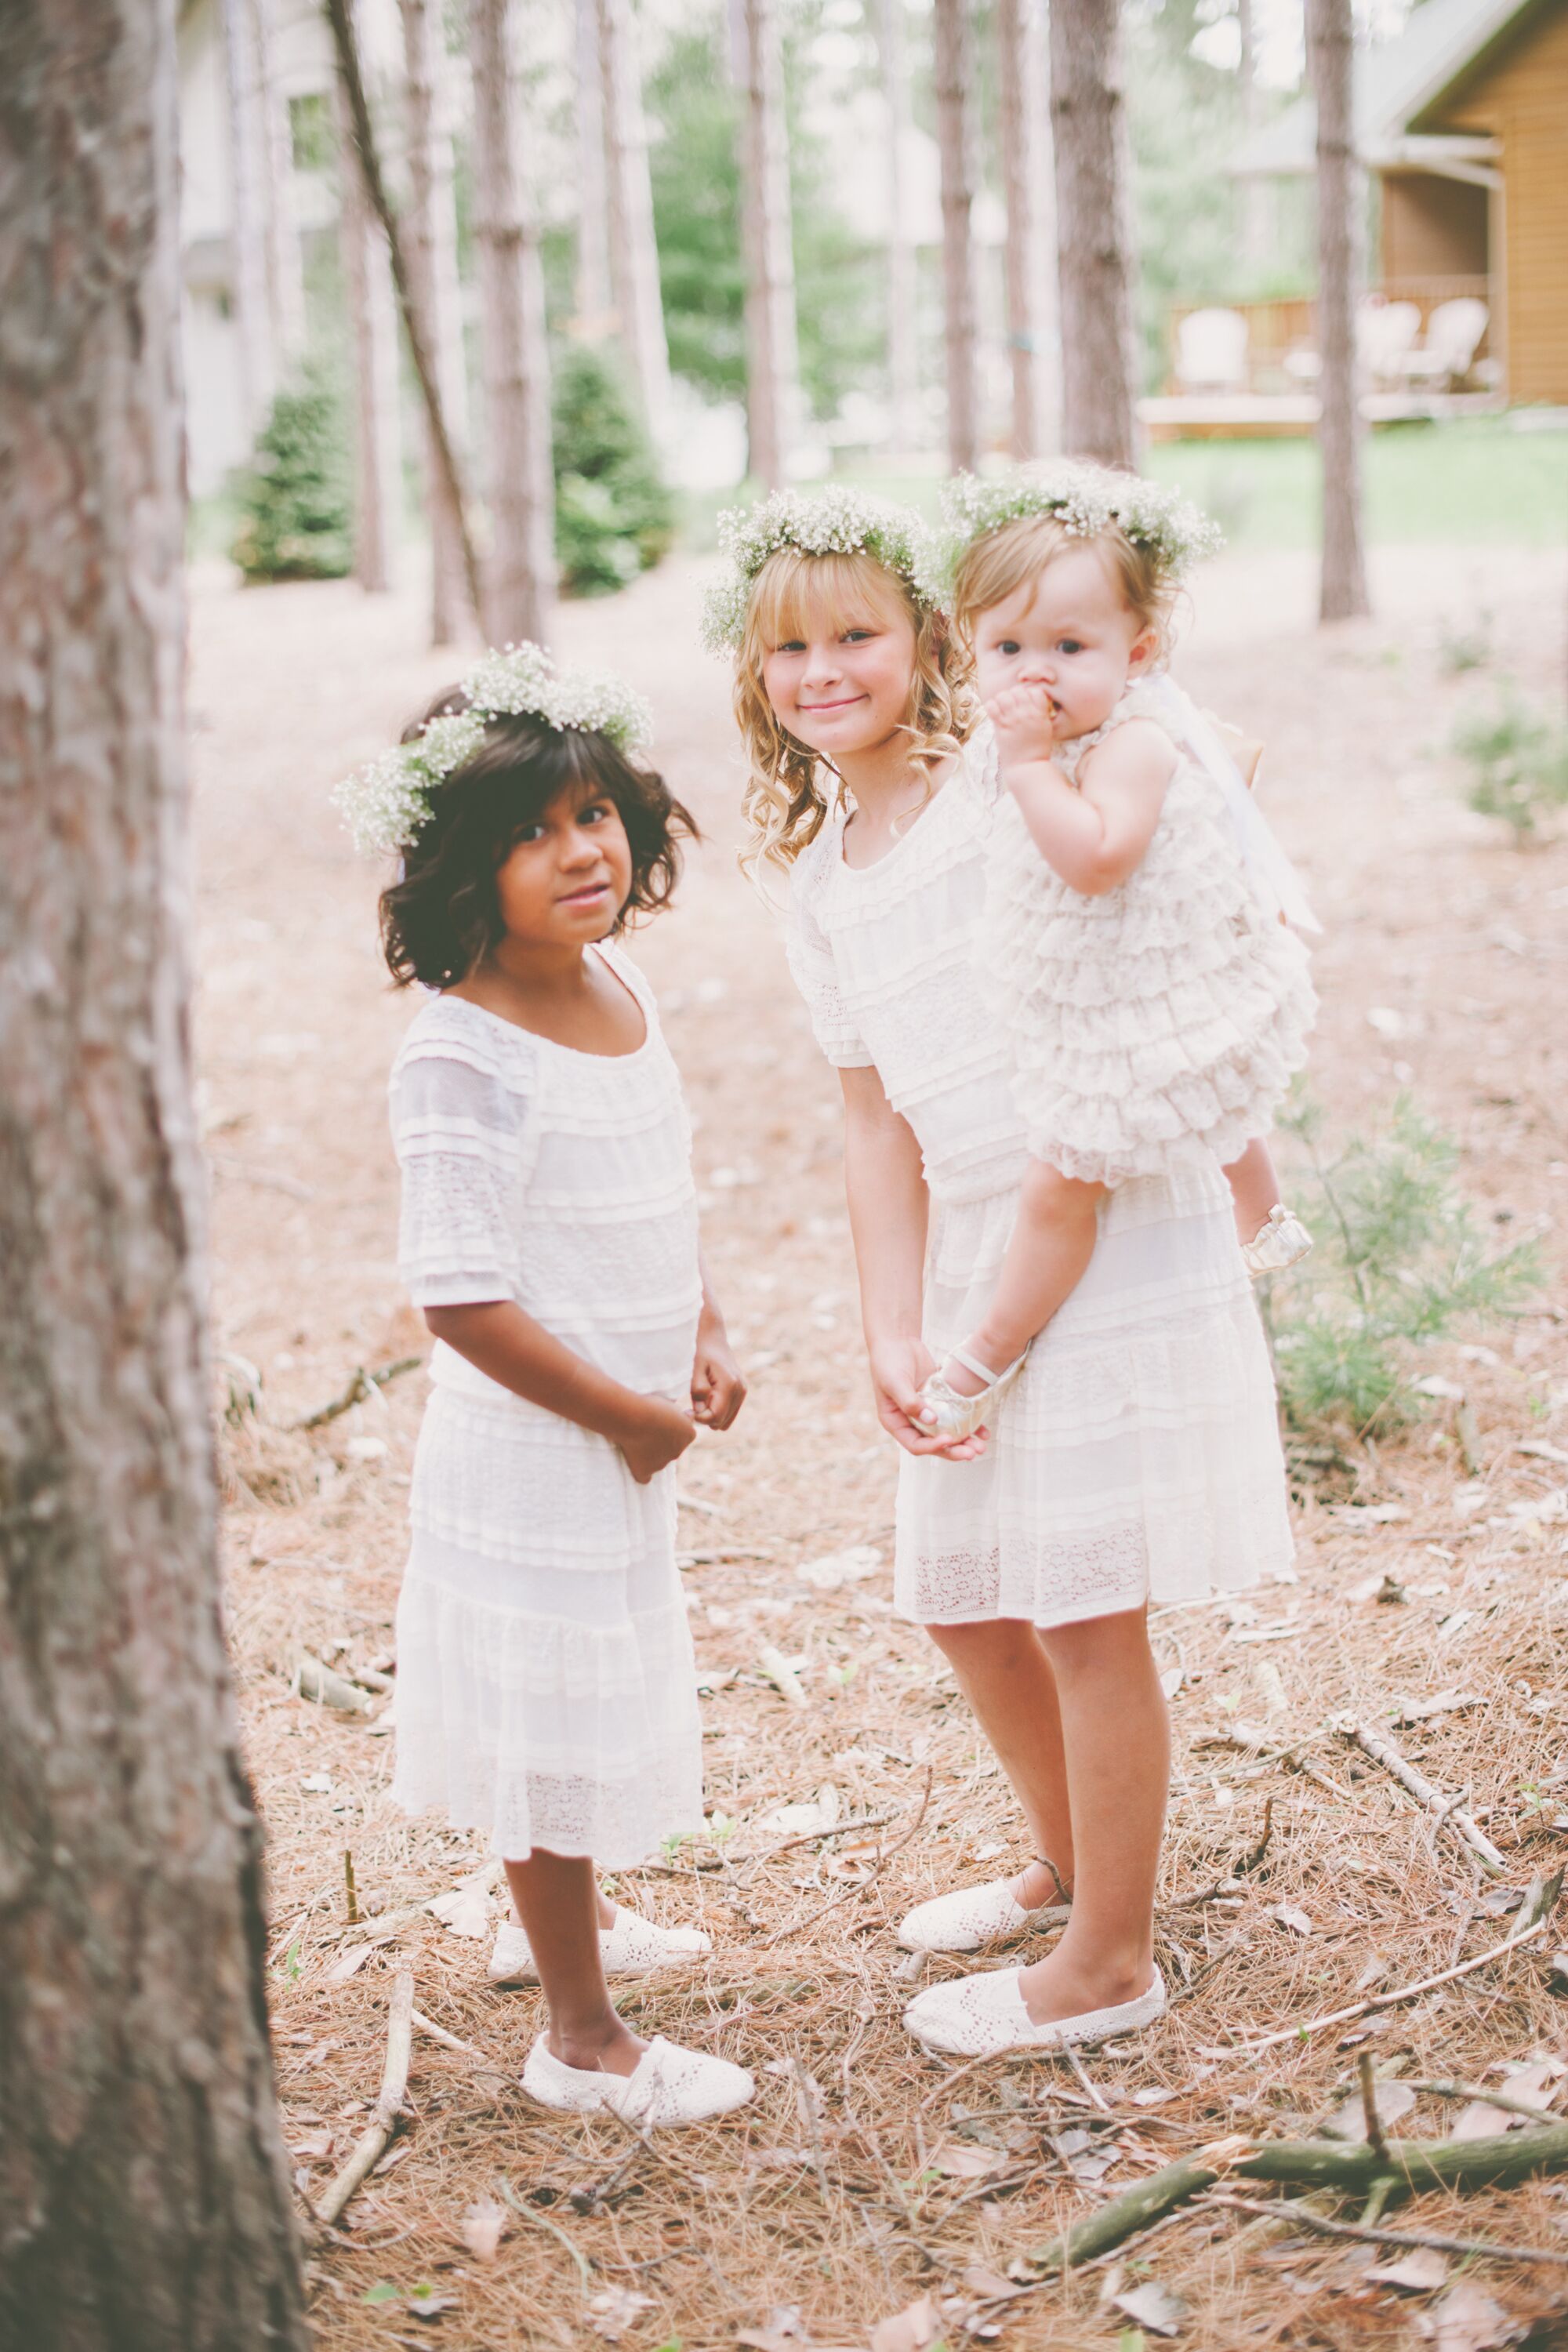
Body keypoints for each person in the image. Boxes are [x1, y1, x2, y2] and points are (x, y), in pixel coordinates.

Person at [715, 484, 1296, 2060]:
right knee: (968, 1600)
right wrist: (888, 1325)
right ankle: (1069, 1861)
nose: (824, 669)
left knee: (1079, 1608)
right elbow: (867, 1114)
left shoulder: (1001, 781)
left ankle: (1112, 1959)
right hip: (973, 1226)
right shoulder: (826, 879)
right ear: (755, 679)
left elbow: (1200, 761)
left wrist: (1050, 722)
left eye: (857, 634)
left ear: (928, 642)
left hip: (1095, 1199)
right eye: (788, 650)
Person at [336, 644, 753, 2128]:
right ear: (458, 867)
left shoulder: (617, 981)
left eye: (592, 813)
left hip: (623, 1430)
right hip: (541, 1444)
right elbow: (458, 1295)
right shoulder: (461, 1052)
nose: (578, 852)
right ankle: (581, 2038)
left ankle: (555, 1917)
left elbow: (653, 1182)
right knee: (543, 1716)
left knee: (585, 1694)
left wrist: (697, 1326)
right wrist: (626, 1414)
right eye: (526, 833)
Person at [917, 463, 1318, 1442]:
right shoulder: (1037, 735)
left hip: (1141, 981)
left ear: (1135, 652)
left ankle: (982, 1357)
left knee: (1060, 1184)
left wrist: (1020, 766)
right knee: (1192, 1087)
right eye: (1004, 646)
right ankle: (1263, 1212)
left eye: (1068, 645)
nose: (1033, 672)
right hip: (1108, 981)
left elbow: (1095, 860)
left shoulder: (1132, 742)